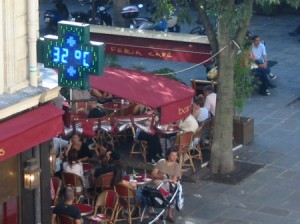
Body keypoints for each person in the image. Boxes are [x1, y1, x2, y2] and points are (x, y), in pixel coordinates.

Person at [151, 149, 181, 223]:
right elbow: (153, 174)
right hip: (158, 181)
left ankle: (169, 214)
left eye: (176, 155)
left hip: (169, 183)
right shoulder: (161, 162)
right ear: (168, 156)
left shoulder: (177, 166)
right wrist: (161, 176)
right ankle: (151, 208)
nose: (175, 157)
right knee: (153, 188)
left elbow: (174, 179)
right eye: (173, 155)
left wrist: (168, 181)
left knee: (171, 190)